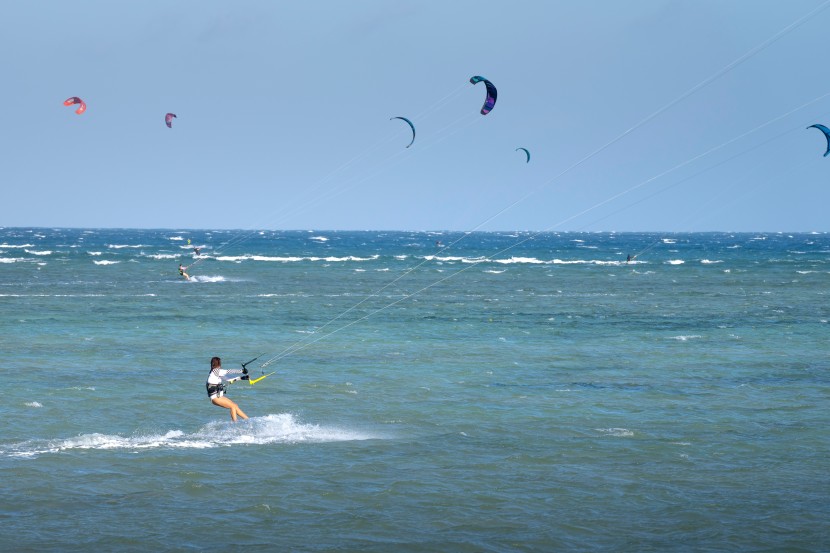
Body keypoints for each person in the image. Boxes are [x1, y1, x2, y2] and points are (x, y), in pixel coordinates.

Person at [205, 356, 250, 421]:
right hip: (215, 398)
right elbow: (229, 371)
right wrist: (242, 371)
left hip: (219, 397)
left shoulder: (216, 373)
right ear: (219, 364)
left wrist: (242, 378)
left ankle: (248, 420)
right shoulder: (215, 371)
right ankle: (235, 424)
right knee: (232, 406)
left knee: (235, 405)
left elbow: (229, 379)